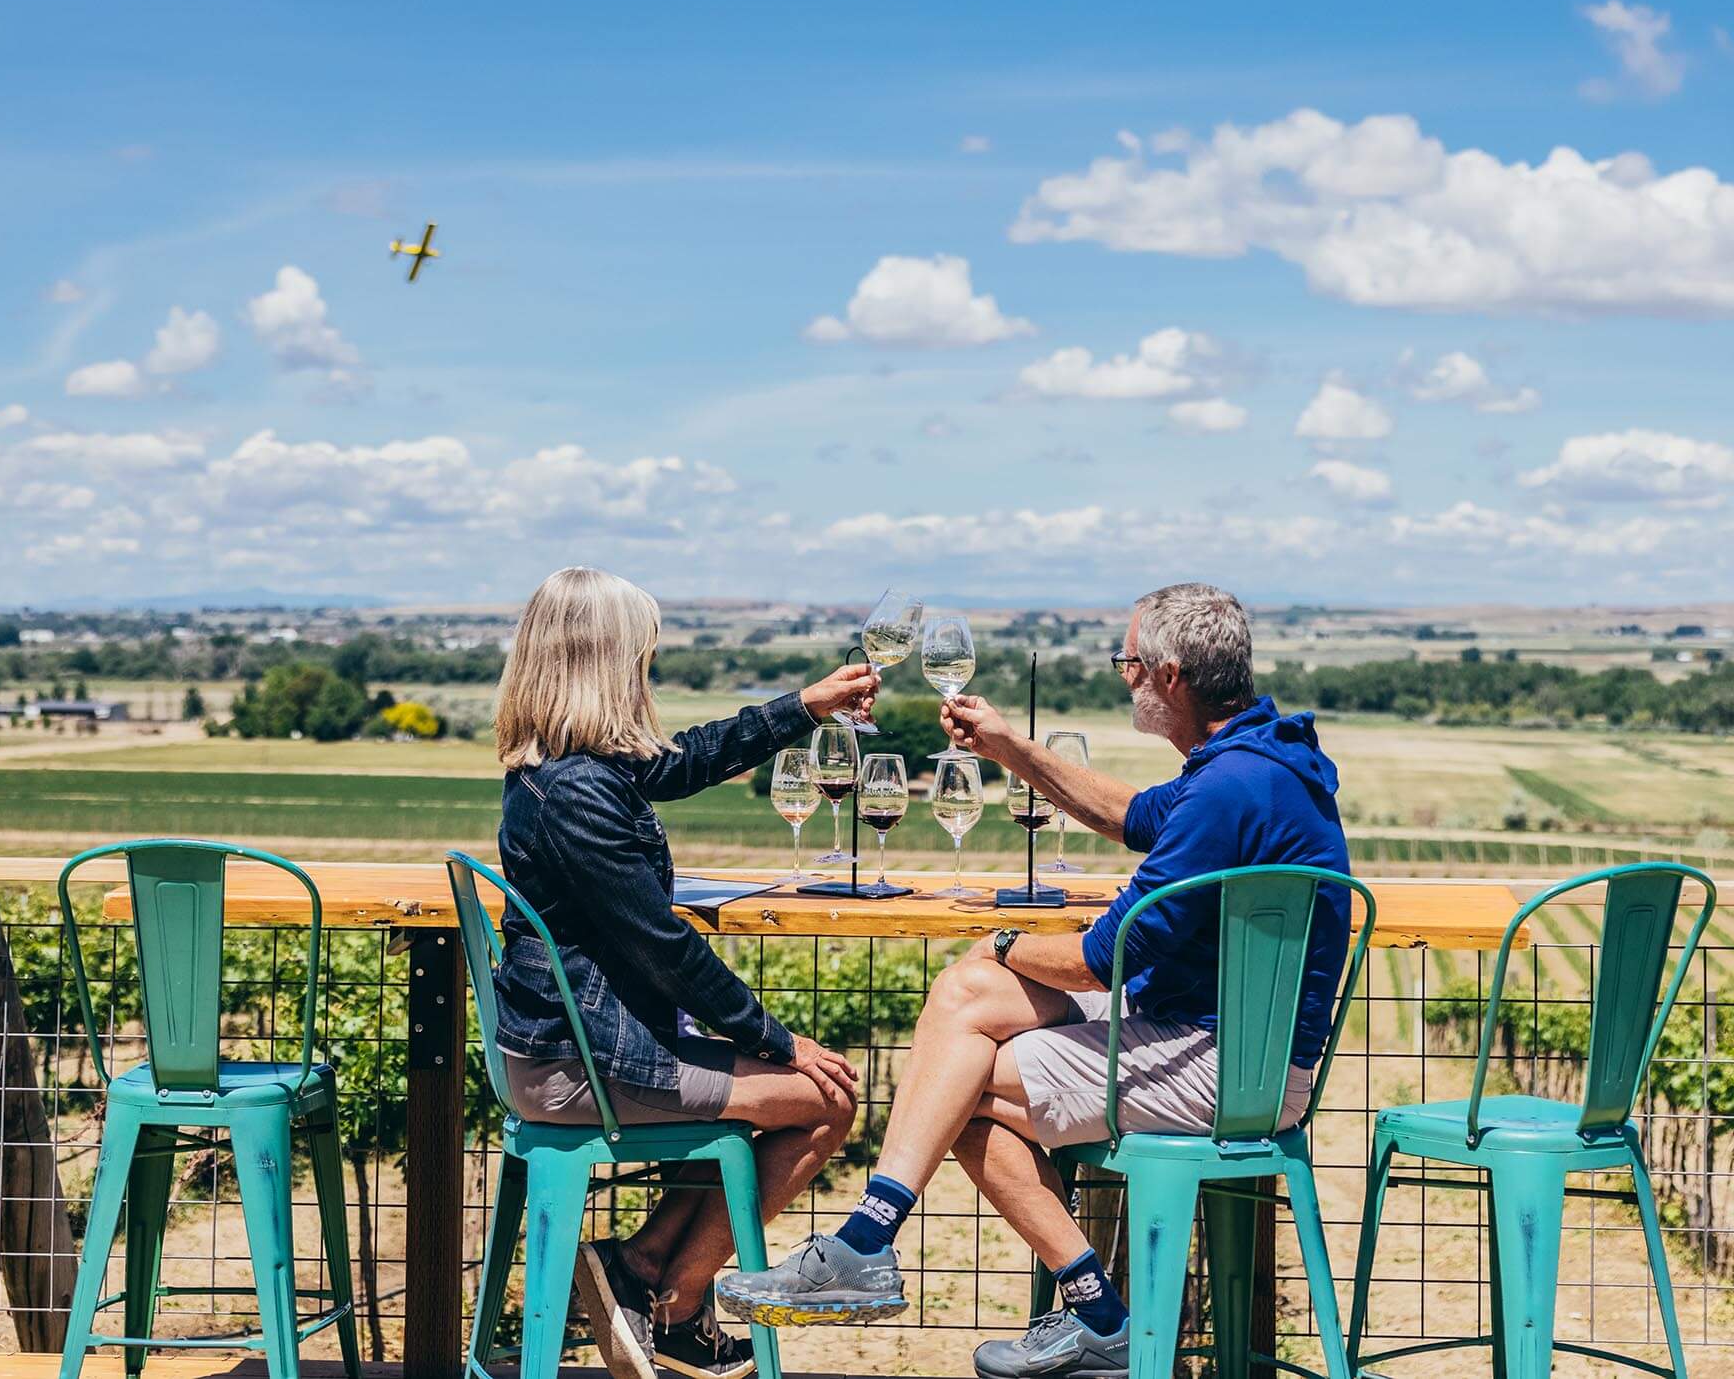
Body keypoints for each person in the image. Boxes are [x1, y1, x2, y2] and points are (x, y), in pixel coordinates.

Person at [715, 582, 1352, 1379]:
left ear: (1172, 674)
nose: (1125, 678)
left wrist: (1006, 937)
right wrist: (1009, 749)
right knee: (964, 994)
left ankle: (1091, 1314)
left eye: (1130, 663)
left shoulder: (1228, 790)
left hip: (1236, 1068)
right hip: (1212, 1031)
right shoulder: (1254, 761)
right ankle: (868, 1243)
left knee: (964, 1085)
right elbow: (1136, 815)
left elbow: (1098, 957)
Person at [492, 567, 877, 1379]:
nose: (650, 668)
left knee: (778, 1090)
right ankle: (679, 1297)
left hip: (568, 1045)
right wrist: (779, 1039)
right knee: (825, 1099)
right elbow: (662, 947)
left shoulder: (567, 769)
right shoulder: (579, 796)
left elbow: (686, 758)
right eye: (642, 654)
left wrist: (804, 705)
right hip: (578, 1063)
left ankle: (641, 1269)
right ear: (604, 663)